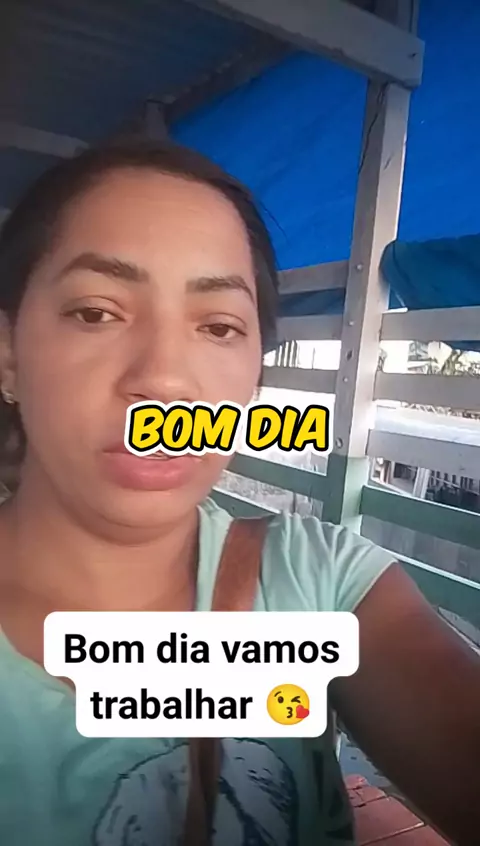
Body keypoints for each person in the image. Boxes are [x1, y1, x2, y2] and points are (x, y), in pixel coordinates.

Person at [0, 140, 478, 846]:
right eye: (97, 312)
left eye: (218, 326)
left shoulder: (321, 584)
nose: (164, 380)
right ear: (8, 353)